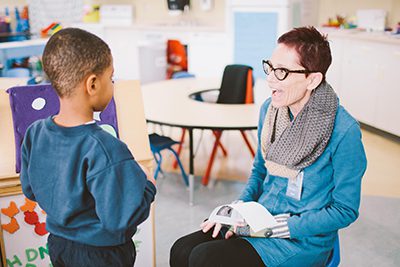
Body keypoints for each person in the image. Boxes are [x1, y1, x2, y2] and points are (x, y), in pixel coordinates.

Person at [170, 26, 367, 267]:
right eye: (270, 67)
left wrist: (284, 226)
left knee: (204, 259)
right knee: (181, 250)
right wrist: (239, 208)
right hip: (258, 219)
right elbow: (259, 172)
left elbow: (345, 209)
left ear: (312, 79)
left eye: (282, 71)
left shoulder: (344, 130)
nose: (271, 79)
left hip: (299, 239)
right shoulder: (270, 110)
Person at [20, 28, 157, 267]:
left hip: (58, 245)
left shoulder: (35, 132)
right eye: (111, 78)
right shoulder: (105, 148)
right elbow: (121, 218)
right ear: (92, 84)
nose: (112, 85)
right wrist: (148, 186)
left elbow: (30, 189)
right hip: (101, 255)